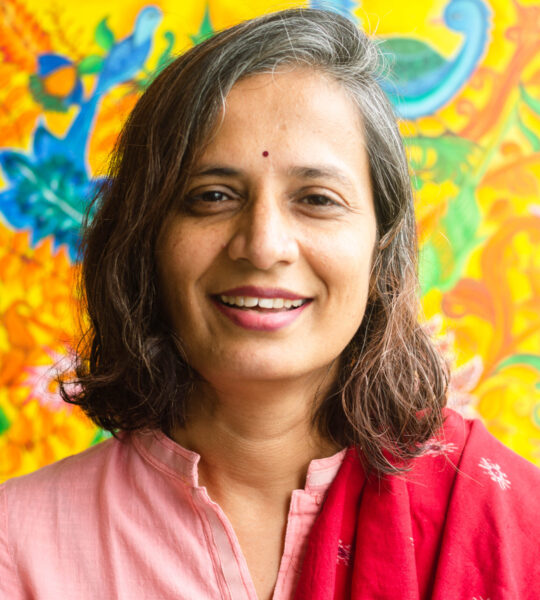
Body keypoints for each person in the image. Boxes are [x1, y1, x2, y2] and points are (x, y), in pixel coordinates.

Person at [1, 8, 538, 600]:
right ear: (144, 237)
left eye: (317, 199)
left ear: (381, 246)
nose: (262, 246)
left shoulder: (505, 520)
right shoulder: (19, 547)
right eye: (212, 196)